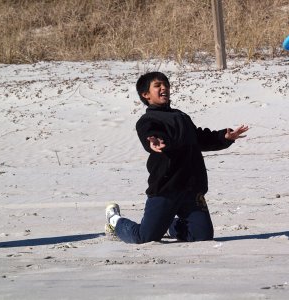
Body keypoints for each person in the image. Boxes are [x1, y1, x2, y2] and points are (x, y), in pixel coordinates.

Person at [105, 71, 248, 244]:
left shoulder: (181, 116)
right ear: (146, 95)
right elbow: (148, 133)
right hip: (166, 190)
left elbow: (200, 138)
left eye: (166, 84)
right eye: (157, 85)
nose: (164, 88)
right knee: (145, 237)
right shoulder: (147, 119)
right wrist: (153, 141)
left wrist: (224, 137)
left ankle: (167, 224)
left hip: (191, 190)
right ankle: (115, 221)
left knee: (202, 236)